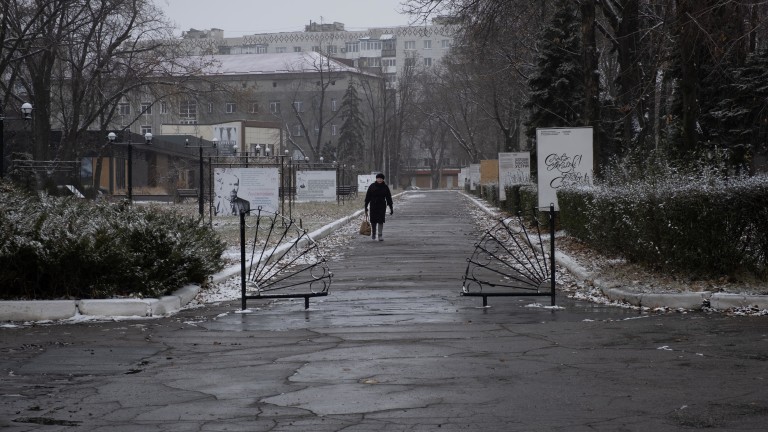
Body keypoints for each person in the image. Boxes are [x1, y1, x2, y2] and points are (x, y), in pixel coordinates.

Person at [364, 173, 393, 241]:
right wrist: (366, 206)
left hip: (382, 206)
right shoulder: (372, 186)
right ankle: (374, 233)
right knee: (373, 221)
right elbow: (368, 196)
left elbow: (388, 197)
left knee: (380, 220)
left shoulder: (385, 187)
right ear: (376, 179)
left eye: (381, 179)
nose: (379, 180)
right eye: (378, 178)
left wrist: (391, 207)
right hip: (373, 205)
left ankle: (380, 235)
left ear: (383, 179)